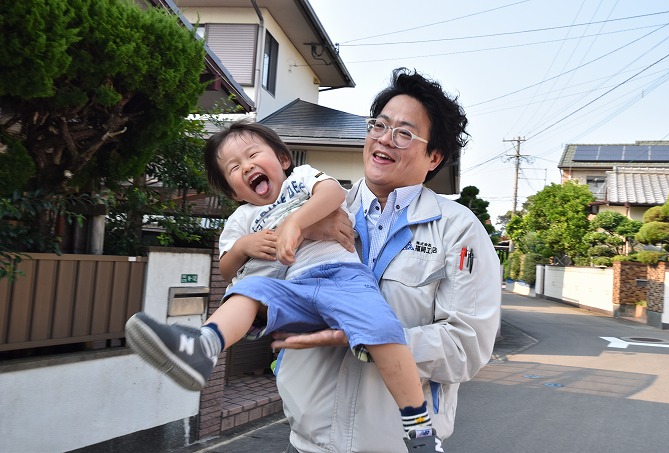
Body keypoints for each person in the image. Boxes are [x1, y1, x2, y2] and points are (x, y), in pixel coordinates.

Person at [124, 120, 445, 452]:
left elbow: (334, 192)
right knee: (245, 291)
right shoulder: (242, 218)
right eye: (234, 167)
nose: (246, 166)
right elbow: (225, 266)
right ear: (234, 192)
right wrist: (243, 247)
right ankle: (203, 345)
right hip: (295, 288)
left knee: (384, 330)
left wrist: (296, 221)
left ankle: (419, 429)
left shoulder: (302, 180)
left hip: (343, 277)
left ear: (282, 160)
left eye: (252, 155)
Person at [270, 67, 502, 453]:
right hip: (307, 442)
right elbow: (256, 286)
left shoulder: (459, 229)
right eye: (379, 125)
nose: (384, 140)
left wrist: (368, 339)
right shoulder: (317, 208)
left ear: (434, 156)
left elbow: (466, 347)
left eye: (405, 133)